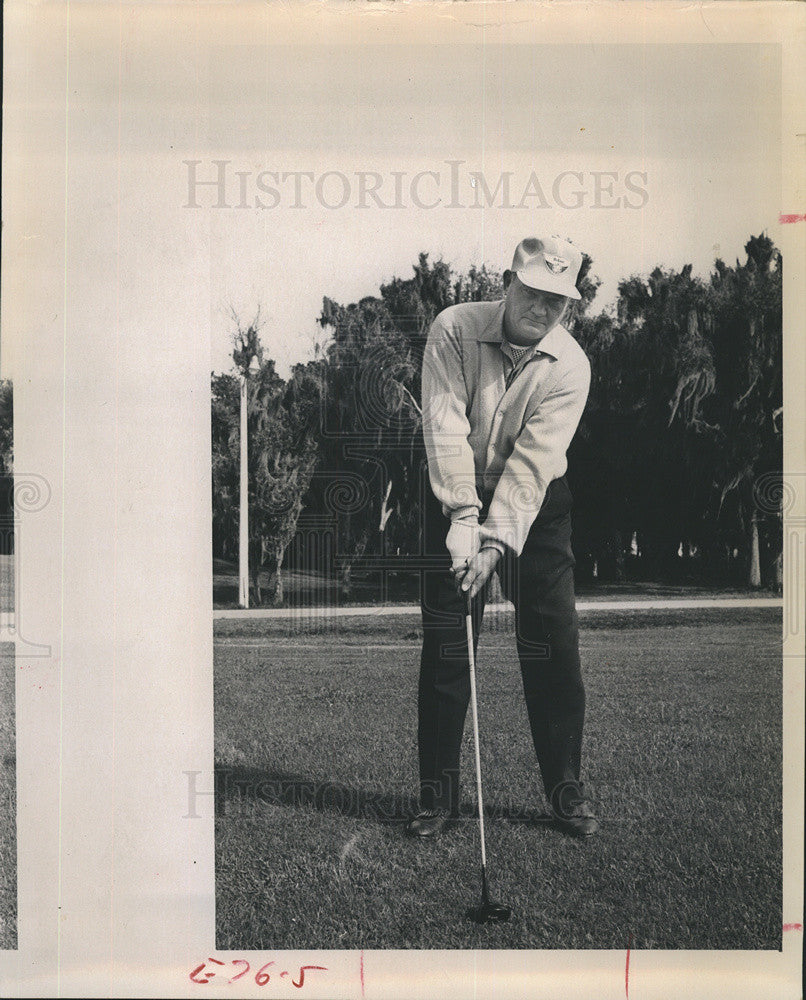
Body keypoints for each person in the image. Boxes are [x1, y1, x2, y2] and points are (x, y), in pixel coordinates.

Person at [407, 235, 598, 840]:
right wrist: (463, 518)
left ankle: (565, 793)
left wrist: (494, 543)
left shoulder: (570, 364)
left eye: (558, 302)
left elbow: (533, 465)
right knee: (446, 650)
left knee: (554, 648)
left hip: (537, 510)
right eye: (535, 294)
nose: (543, 311)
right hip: (451, 492)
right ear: (508, 280)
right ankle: (438, 800)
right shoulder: (453, 328)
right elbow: (444, 426)